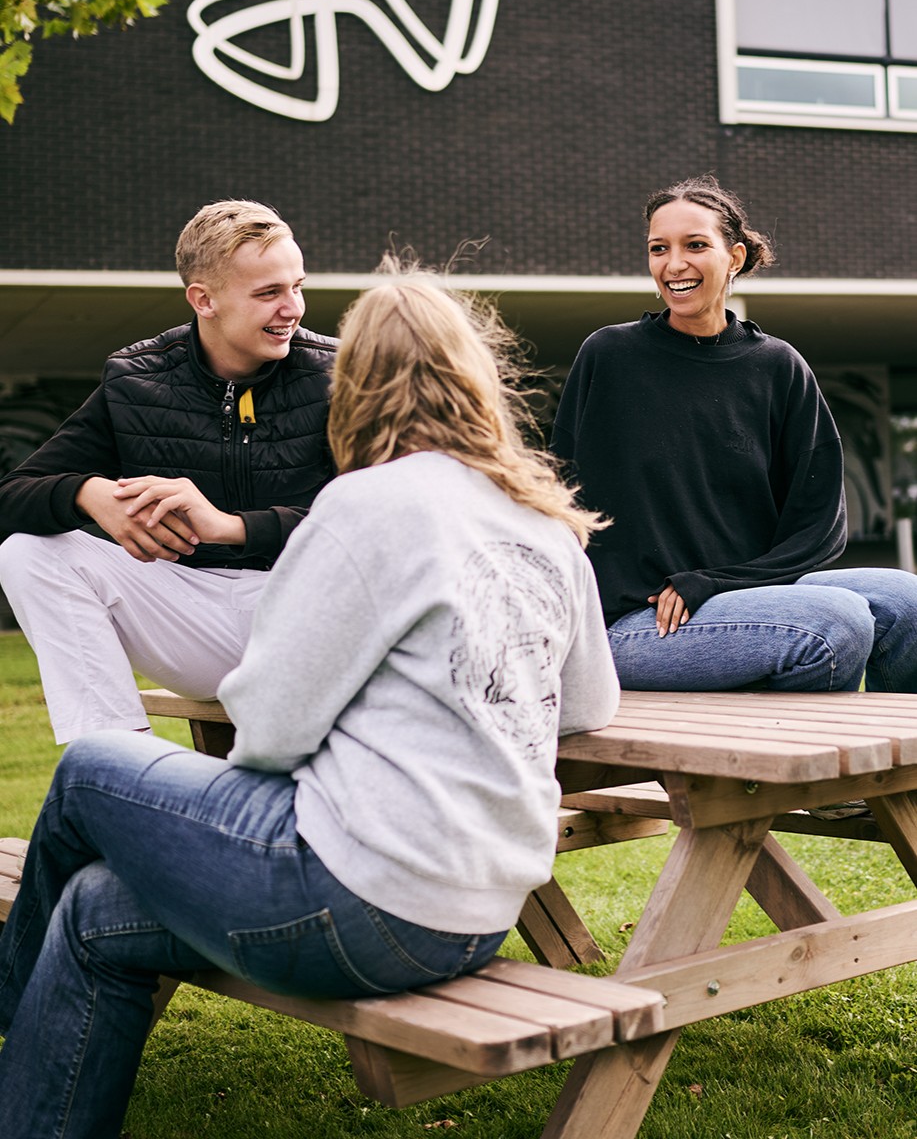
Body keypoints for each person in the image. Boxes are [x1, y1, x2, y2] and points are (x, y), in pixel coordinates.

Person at [0, 265, 618, 1139]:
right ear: (478, 377)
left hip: (355, 900)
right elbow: (587, 703)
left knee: (95, 770)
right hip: (479, 913)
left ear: (355, 383)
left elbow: (268, 731)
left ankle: (3, 995)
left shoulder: (363, 503)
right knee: (94, 910)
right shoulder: (543, 518)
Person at [552, 174, 917, 694]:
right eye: (659, 248)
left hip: (744, 595)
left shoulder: (778, 367)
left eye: (695, 245)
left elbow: (818, 526)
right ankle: (784, 746)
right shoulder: (610, 357)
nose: (674, 264)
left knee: (907, 602)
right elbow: (557, 496)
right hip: (639, 619)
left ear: (735, 258)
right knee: (838, 622)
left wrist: (717, 581)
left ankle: (893, 748)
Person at [0, 200, 336, 742]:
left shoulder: (343, 375)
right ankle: (114, 758)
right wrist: (87, 494)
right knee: (28, 553)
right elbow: (10, 495)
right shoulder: (137, 379)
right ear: (204, 300)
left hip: (312, 616)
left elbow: (389, 524)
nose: (292, 308)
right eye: (268, 293)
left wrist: (231, 527)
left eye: (297, 286)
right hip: (190, 617)